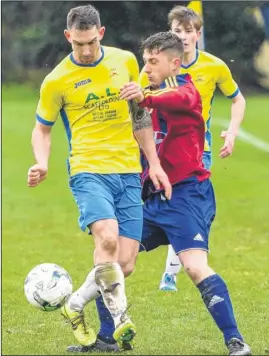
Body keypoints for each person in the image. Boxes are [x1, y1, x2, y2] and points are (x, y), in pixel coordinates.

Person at [27, 4, 171, 352]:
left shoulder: (125, 61)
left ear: (101, 33)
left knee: (123, 264)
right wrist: (42, 162)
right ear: (68, 38)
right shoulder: (57, 80)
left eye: (91, 42)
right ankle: (121, 321)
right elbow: (42, 129)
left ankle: (75, 305)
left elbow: (140, 118)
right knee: (105, 240)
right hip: (88, 169)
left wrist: (153, 163)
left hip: (126, 171)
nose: (86, 50)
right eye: (79, 44)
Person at [121, 31, 251, 356]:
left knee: (194, 268)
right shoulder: (145, 90)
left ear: (173, 63)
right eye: (145, 61)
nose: (147, 68)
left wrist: (144, 99)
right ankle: (102, 335)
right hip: (153, 196)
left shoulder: (189, 90)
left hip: (187, 195)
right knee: (116, 260)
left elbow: (177, 100)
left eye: (154, 61)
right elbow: (139, 129)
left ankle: (235, 341)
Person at [140, 5, 246, 292]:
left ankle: (171, 273)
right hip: (163, 151)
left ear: (198, 35)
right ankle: (175, 262)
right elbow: (140, 112)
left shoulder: (213, 66)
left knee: (183, 204)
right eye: (177, 31)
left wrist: (232, 132)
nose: (183, 36)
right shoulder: (153, 68)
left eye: (188, 31)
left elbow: (237, 99)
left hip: (199, 149)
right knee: (166, 204)